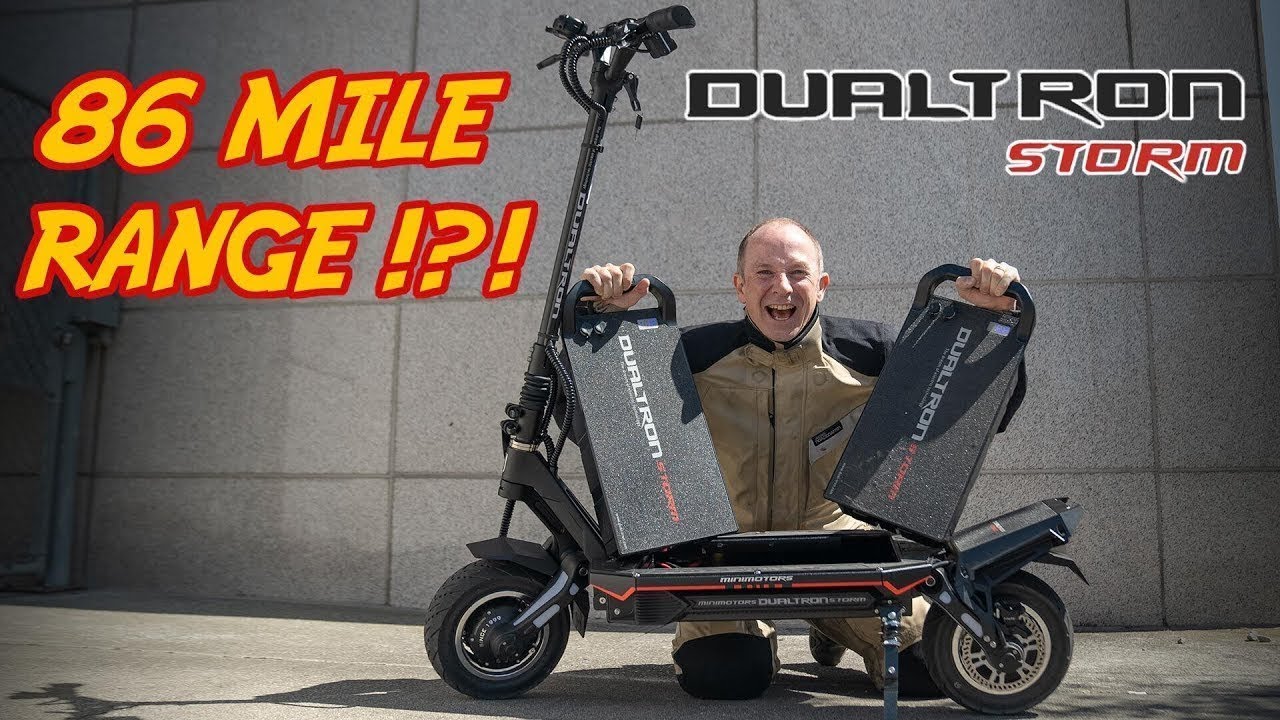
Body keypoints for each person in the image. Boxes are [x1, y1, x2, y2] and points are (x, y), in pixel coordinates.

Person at [579, 217, 1025, 700]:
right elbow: (599, 420)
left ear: (822, 284)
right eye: (764, 273)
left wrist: (992, 321)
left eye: (798, 272)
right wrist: (600, 324)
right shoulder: (686, 354)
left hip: (838, 551)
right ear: (740, 287)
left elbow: (976, 412)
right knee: (725, 675)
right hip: (725, 557)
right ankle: (763, 635)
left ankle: (833, 621)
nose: (783, 287)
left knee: (929, 669)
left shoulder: (874, 352)